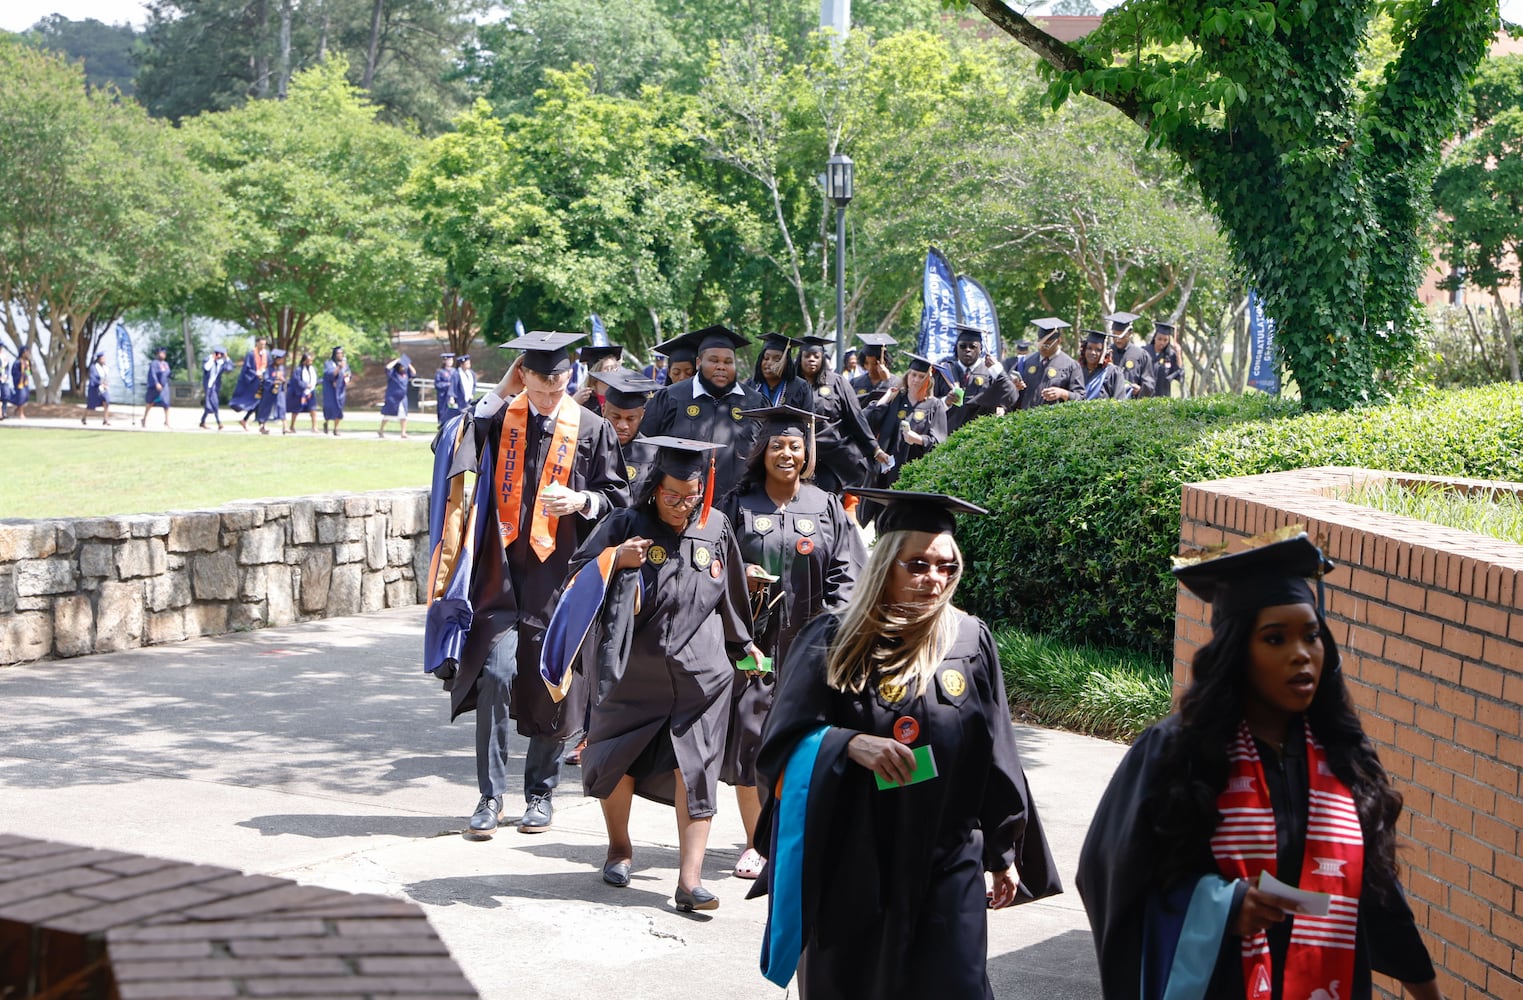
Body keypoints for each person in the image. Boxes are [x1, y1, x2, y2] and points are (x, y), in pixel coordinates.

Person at [1077, 531, 1443, 1000]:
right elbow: (1109, 874)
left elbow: (1375, 892)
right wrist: (1221, 908)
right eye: (1275, 638)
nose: (1301, 653)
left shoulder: (1341, 754)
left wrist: (1429, 992)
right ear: (1236, 654)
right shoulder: (1177, 752)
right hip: (1221, 982)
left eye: (1312, 636)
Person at [753, 488, 1061, 998]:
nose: (933, 579)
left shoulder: (968, 639)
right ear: (884, 566)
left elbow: (995, 749)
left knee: (954, 984)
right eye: (916, 564)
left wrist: (1004, 850)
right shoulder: (835, 638)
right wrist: (846, 744)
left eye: (946, 566)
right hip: (853, 857)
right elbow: (780, 746)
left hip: (948, 854)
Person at [422, 330, 629, 840]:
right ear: (523, 375)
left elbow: (618, 496)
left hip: (560, 580)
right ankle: (490, 796)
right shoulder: (499, 421)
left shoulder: (592, 427)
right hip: (500, 579)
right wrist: (497, 394)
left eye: (560, 379)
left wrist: (583, 502)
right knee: (493, 675)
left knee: (551, 682)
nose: (551, 388)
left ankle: (540, 790)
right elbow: (450, 442)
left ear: (570, 377)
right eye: (540, 379)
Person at [543, 436, 761, 910]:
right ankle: (620, 847)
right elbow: (575, 578)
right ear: (653, 489)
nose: (683, 506)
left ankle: (690, 880)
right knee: (613, 760)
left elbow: (732, 593)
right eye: (672, 496)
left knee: (697, 767)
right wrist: (614, 559)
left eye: (692, 496)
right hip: (629, 672)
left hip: (701, 674)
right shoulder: (625, 523)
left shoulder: (716, 526)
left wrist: (744, 646)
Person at [720, 406, 866, 881]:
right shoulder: (738, 505)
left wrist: (834, 621)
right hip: (753, 644)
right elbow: (714, 567)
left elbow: (848, 568)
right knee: (750, 738)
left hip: (812, 646)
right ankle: (754, 841)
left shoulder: (825, 504)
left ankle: (804, 832)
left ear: (807, 453)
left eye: (795, 446)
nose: (787, 453)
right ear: (761, 452)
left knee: (808, 738)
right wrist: (742, 578)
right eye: (777, 445)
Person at [640, 326, 768, 502]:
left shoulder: (755, 402)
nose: (721, 367)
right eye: (714, 360)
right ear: (699, 363)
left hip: (741, 504)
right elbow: (645, 449)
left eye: (728, 362)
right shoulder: (671, 397)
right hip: (681, 505)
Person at [795, 335, 888, 495]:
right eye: (807, 356)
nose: (811, 360)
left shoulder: (837, 382)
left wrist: (875, 449)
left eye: (816, 356)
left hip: (833, 457)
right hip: (800, 457)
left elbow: (856, 418)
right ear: (800, 358)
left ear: (822, 358)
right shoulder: (792, 385)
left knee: (824, 499)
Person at [861, 353, 947, 522]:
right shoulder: (896, 399)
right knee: (885, 517)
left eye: (921, 376)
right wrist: (885, 398)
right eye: (913, 375)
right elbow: (867, 420)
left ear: (928, 380)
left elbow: (940, 442)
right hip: (889, 469)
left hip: (917, 471)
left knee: (909, 517)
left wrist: (919, 439)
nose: (916, 380)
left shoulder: (934, 405)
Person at [941, 324, 1019, 435]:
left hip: (980, 434)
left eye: (973, 347)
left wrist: (997, 370)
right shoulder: (945, 371)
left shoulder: (990, 372)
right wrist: (946, 401)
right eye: (963, 346)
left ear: (981, 349)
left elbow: (1012, 395)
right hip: (948, 434)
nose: (967, 350)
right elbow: (930, 403)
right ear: (956, 348)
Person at [1013, 319, 1084, 409]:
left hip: (1055, 419)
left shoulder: (1071, 365)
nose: (1042, 348)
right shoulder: (1026, 361)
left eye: (1047, 345)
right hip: (1026, 418)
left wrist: (1063, 393)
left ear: (1058, 341)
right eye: (1040, 344)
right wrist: (1015, 387)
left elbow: (1081, 397)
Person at [749, 333, 814, 411]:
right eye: (766, 358)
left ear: (787, 362)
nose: (769, 362)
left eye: (777, 359)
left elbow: (809, 419)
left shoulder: (800, 387)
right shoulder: (751, 385)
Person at [1103, 312, 1157, 399]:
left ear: (1130, 333)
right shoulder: (1106, 353)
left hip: (1132, 404)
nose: (1118, 340)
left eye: (1122, 336)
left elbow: (1149, 384)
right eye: (1114, 335)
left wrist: (1140, 390)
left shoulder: (1141, 355)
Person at [572, 345, 624, 415]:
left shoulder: (622, 396)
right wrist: (573, 404)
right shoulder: (583, 400)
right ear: (596, 372)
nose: (613, 372)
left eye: (615, 368)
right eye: (608, 368)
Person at [1077, 330, 1128, 400]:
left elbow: (1119, 401)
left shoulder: (1113, 373)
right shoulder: (1077, 370)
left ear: (1104, 352)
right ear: (1084, 349)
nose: (1093, 353)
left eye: (1098, 350)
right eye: (1089, 348)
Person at [231, 337, 268, 429]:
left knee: (258, 402)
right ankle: (260, 424)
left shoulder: (267, 354)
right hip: (253, 383)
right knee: (257, 401)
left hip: (262, 382)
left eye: (264, 344)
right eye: (261, 344)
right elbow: (246, 369)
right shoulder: (251, 354)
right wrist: (256, 374)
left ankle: (247, 420)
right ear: (257, 344)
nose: (263, 346)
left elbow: (268, 366)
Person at [378, 352, 415, 439]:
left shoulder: (406, 375)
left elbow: (413, 372)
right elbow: (387, 367)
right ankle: (381, 430)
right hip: (393, 398)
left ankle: (403, 433)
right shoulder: (393, 374)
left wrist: (408, 363)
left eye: (404, 366)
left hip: (402, 398)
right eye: (402, 366)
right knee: (387, 415)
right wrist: (397, 360)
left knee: (403, 416)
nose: (403, 367)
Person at [850, 333, 896, 402]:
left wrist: (886, 381)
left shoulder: (896, 383)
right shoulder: (855, 383)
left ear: (884, 363)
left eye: (874, 364)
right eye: (866, 363)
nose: (870, 368)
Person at [255, 348, 288, 434]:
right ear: (276, 359)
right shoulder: (269, 369)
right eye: (280, 359)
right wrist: (273, 382)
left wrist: (283, 380)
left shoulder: (281, 368)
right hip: (269, 391)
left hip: (279, 390)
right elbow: (266, 379)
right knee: (266, 408)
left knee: (282, 407)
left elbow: (284, 378)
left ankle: (285, 427)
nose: (281, 360)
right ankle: (262, 426)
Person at [1147, 321, 1184, 397]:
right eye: (1159, 339)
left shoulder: (1170, 355)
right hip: (1145, 395)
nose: (1162, 342)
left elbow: (1179, 374)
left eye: (1165, 340)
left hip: (1162, 397)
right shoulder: (1145, 352)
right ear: (1155, 338)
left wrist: (1178, 354)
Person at [286, 351, 319, 433]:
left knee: (313, 410)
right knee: (296, 411)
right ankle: (292, 426)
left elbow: (315, 380)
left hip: (311, 392)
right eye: (308, 361)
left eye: (311, 361)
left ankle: (314, 427)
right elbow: (296, 380)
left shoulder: (313, 369)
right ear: (304, 361)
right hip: (300, 393)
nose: (310, 362)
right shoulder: (298, 370)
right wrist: (305, 385)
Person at [200, 347, 232, 430]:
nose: (219, 356)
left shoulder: (221, 362)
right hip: (207, 385)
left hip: (215, 386)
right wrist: (212, 359)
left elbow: (229, 369)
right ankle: (219, 422)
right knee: (211, 404)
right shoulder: (207, 359)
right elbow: (206, 368)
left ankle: (203, 422)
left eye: (221, 355)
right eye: (218, 354)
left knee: (213, 403)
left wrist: (227, 358)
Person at [140, 347, 173, 428]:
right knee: (150, 402)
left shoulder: (166, 364)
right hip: (155, 386)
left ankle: (167, 421)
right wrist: (156, 383)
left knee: (166, 403)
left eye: (164, 353)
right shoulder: (154, 363)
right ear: (158, 354)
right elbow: (153, 374)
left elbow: (168, 373)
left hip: (164, 386)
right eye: (162, 353)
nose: (163, 355)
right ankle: (144, 418)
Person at [322, 346, 351, 435]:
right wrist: (338, 367)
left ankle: (336, 429)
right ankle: (326, 422)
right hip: (330, 390)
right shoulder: (329, 363)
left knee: (339, 408)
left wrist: (347, 377)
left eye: (341, 353)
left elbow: (348, 373)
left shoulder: (345, 364)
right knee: (329, 408)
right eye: (338, 353)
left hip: (340, 390)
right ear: (334, 354)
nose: (340, 355)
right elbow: (328, 374)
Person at [434, 353, 462, 428]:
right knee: (444, 413)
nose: (450, 362)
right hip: (444, 397)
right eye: (448, 360)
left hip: (454, 396)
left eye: (451, 360)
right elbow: (437, 384)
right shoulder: (440, 372)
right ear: (444, 361)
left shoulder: (455, 371)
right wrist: (448, 384)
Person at [84, 350, 111, 426]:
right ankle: (84, 417)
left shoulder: (105, 367)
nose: (104, 360)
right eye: (102, 358)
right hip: (95, 389)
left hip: (103, 389)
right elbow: (93, 378)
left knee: (106, 402)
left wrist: (106, 384)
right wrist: (100, 383)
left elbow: (106, 377)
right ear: (99, 359)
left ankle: (105, 420)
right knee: (91, 405)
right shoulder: (94, 367)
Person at [9, 349, 32, 420]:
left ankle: (15, 410)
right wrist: (21, 375)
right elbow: (14, 373)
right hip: (19, 383)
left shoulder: (27, 362)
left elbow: (29, 372)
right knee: (21, 398)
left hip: (26, 383)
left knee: (25, 398)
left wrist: (28, 372)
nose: (28, 354)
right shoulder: (17, 362)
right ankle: (21, 414)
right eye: (26, 352)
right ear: (22, 353)